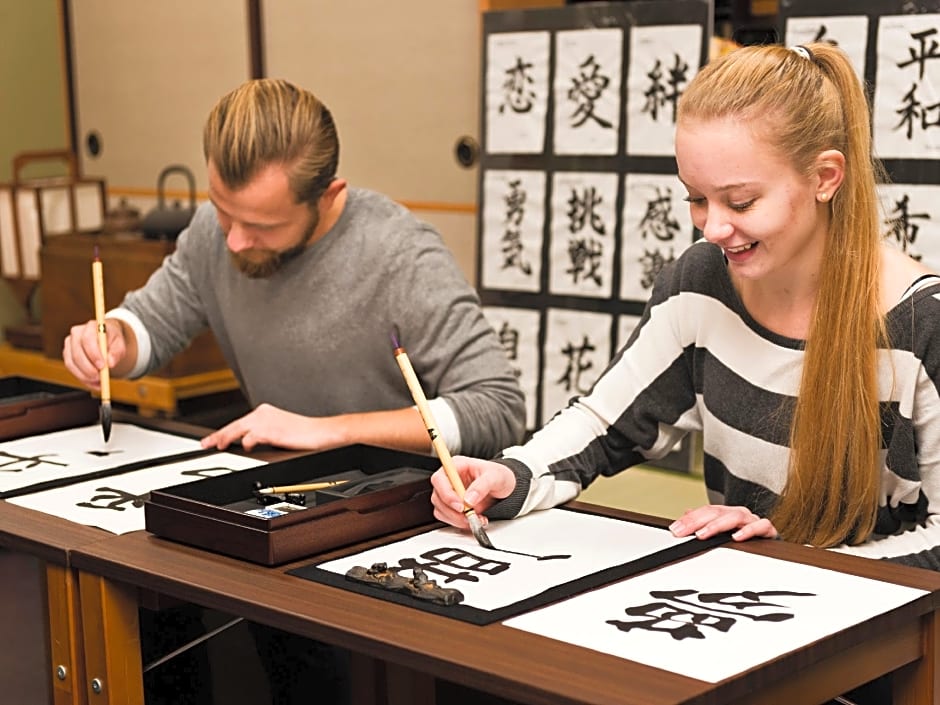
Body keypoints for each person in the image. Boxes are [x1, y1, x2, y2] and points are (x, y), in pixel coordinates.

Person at [430, 42, 939, 705]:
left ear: (825, 177)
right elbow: (604, 422)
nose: (715, 226)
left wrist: (802, 567)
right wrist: (512, 474)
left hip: (880, 659)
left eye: (740, 200)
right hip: (744, 639)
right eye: (696, 198)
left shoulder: (918, 324)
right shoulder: (701, 284)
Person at [62, 78, 526, 704]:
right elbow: (154, 321)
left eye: (259, 225)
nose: (233, 241)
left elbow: (498, 406)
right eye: (222, 212)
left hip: (391, 530)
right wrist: (111, 337)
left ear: (328, 195)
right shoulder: (215, 230)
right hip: (278, 516)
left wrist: (330, 429)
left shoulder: (399, 254)